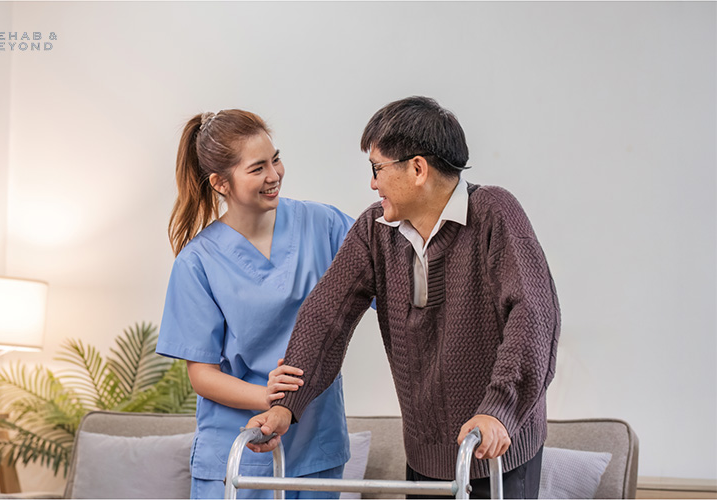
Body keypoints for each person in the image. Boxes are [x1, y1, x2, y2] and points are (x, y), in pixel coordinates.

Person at [245, 96, 561, 499]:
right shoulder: (375, 230)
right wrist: (286, 404)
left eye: (377, 168)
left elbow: (534, 315)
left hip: (497, 450)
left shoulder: (493, 213)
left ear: (417, 169)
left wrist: (498, 409)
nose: (372, 183)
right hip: (424, 454)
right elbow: (327, 315)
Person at [156, 109, 354, 499]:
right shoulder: (198, 263)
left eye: (276, 159)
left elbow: (392, 278)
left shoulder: (324, 225)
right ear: (220, 183)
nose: (274, 175)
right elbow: (203, 375)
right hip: (240, 452)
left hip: (316, 446)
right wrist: (269, 396)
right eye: (257, 168)